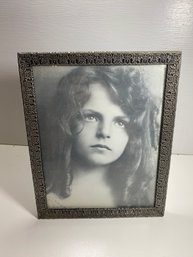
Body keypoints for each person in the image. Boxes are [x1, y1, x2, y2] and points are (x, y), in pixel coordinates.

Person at [43, 66, 160, 208]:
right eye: (91, 117)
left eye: (120, 123)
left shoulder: (140, 198)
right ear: (68, 119)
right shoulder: (47, 196)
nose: (104, 132)